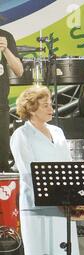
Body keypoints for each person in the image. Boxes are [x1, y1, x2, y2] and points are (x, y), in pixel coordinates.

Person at [10, 86, 79, 255]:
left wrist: (70, 196)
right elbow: (27, 171)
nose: (51, 107)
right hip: (36, 204)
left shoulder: (58, 132)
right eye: (46, 104)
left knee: (62, 253)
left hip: (62, 203)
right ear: (32, 108)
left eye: (51, 103)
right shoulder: (21, 134)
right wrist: (51, 196)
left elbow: (67, 165)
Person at [1, 28, 23, 171]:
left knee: (2, 158)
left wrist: (5, 50)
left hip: (1, 106)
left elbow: (19, 71)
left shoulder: (5, 36)